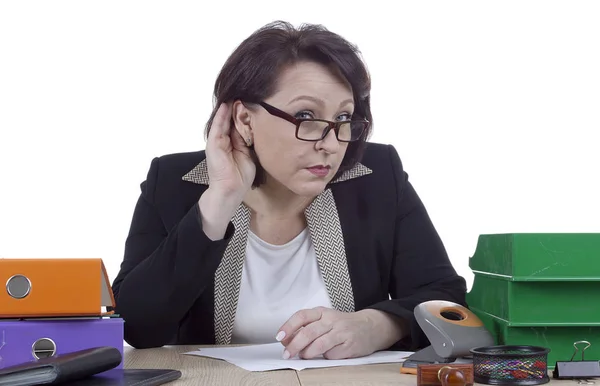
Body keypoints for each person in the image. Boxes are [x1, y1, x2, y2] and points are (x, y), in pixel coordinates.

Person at [110, 20, 467, 360]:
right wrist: (218, 200)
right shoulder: (173, 181)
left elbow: (446, 300)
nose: (331, 144)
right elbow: (139, 328)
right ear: (245, 119)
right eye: (307, 117)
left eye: (344, 119)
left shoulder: (375, 175)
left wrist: (377, 325)